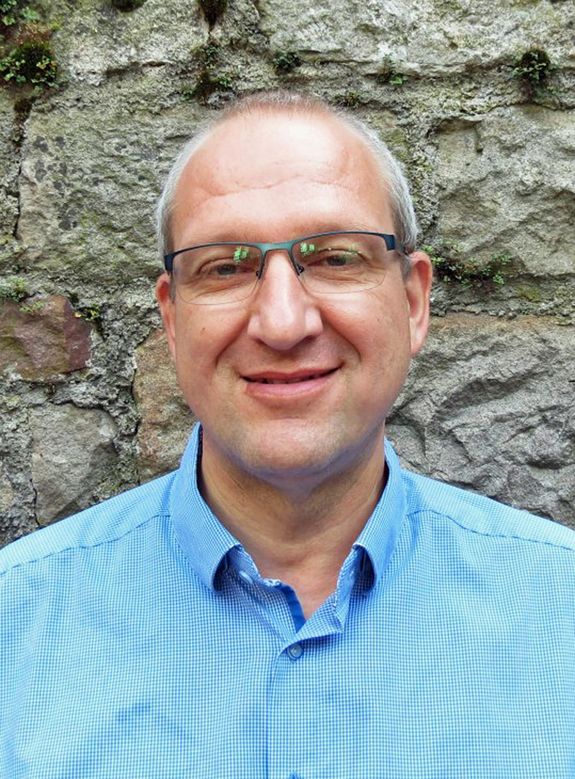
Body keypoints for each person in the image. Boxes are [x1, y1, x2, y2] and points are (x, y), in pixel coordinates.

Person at [1, 91, 574, 779]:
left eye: (335, 258)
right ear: (173, 320)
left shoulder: (560, 611)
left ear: (413, 302)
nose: (282, 322)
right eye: (225, 266)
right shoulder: (16, 624)